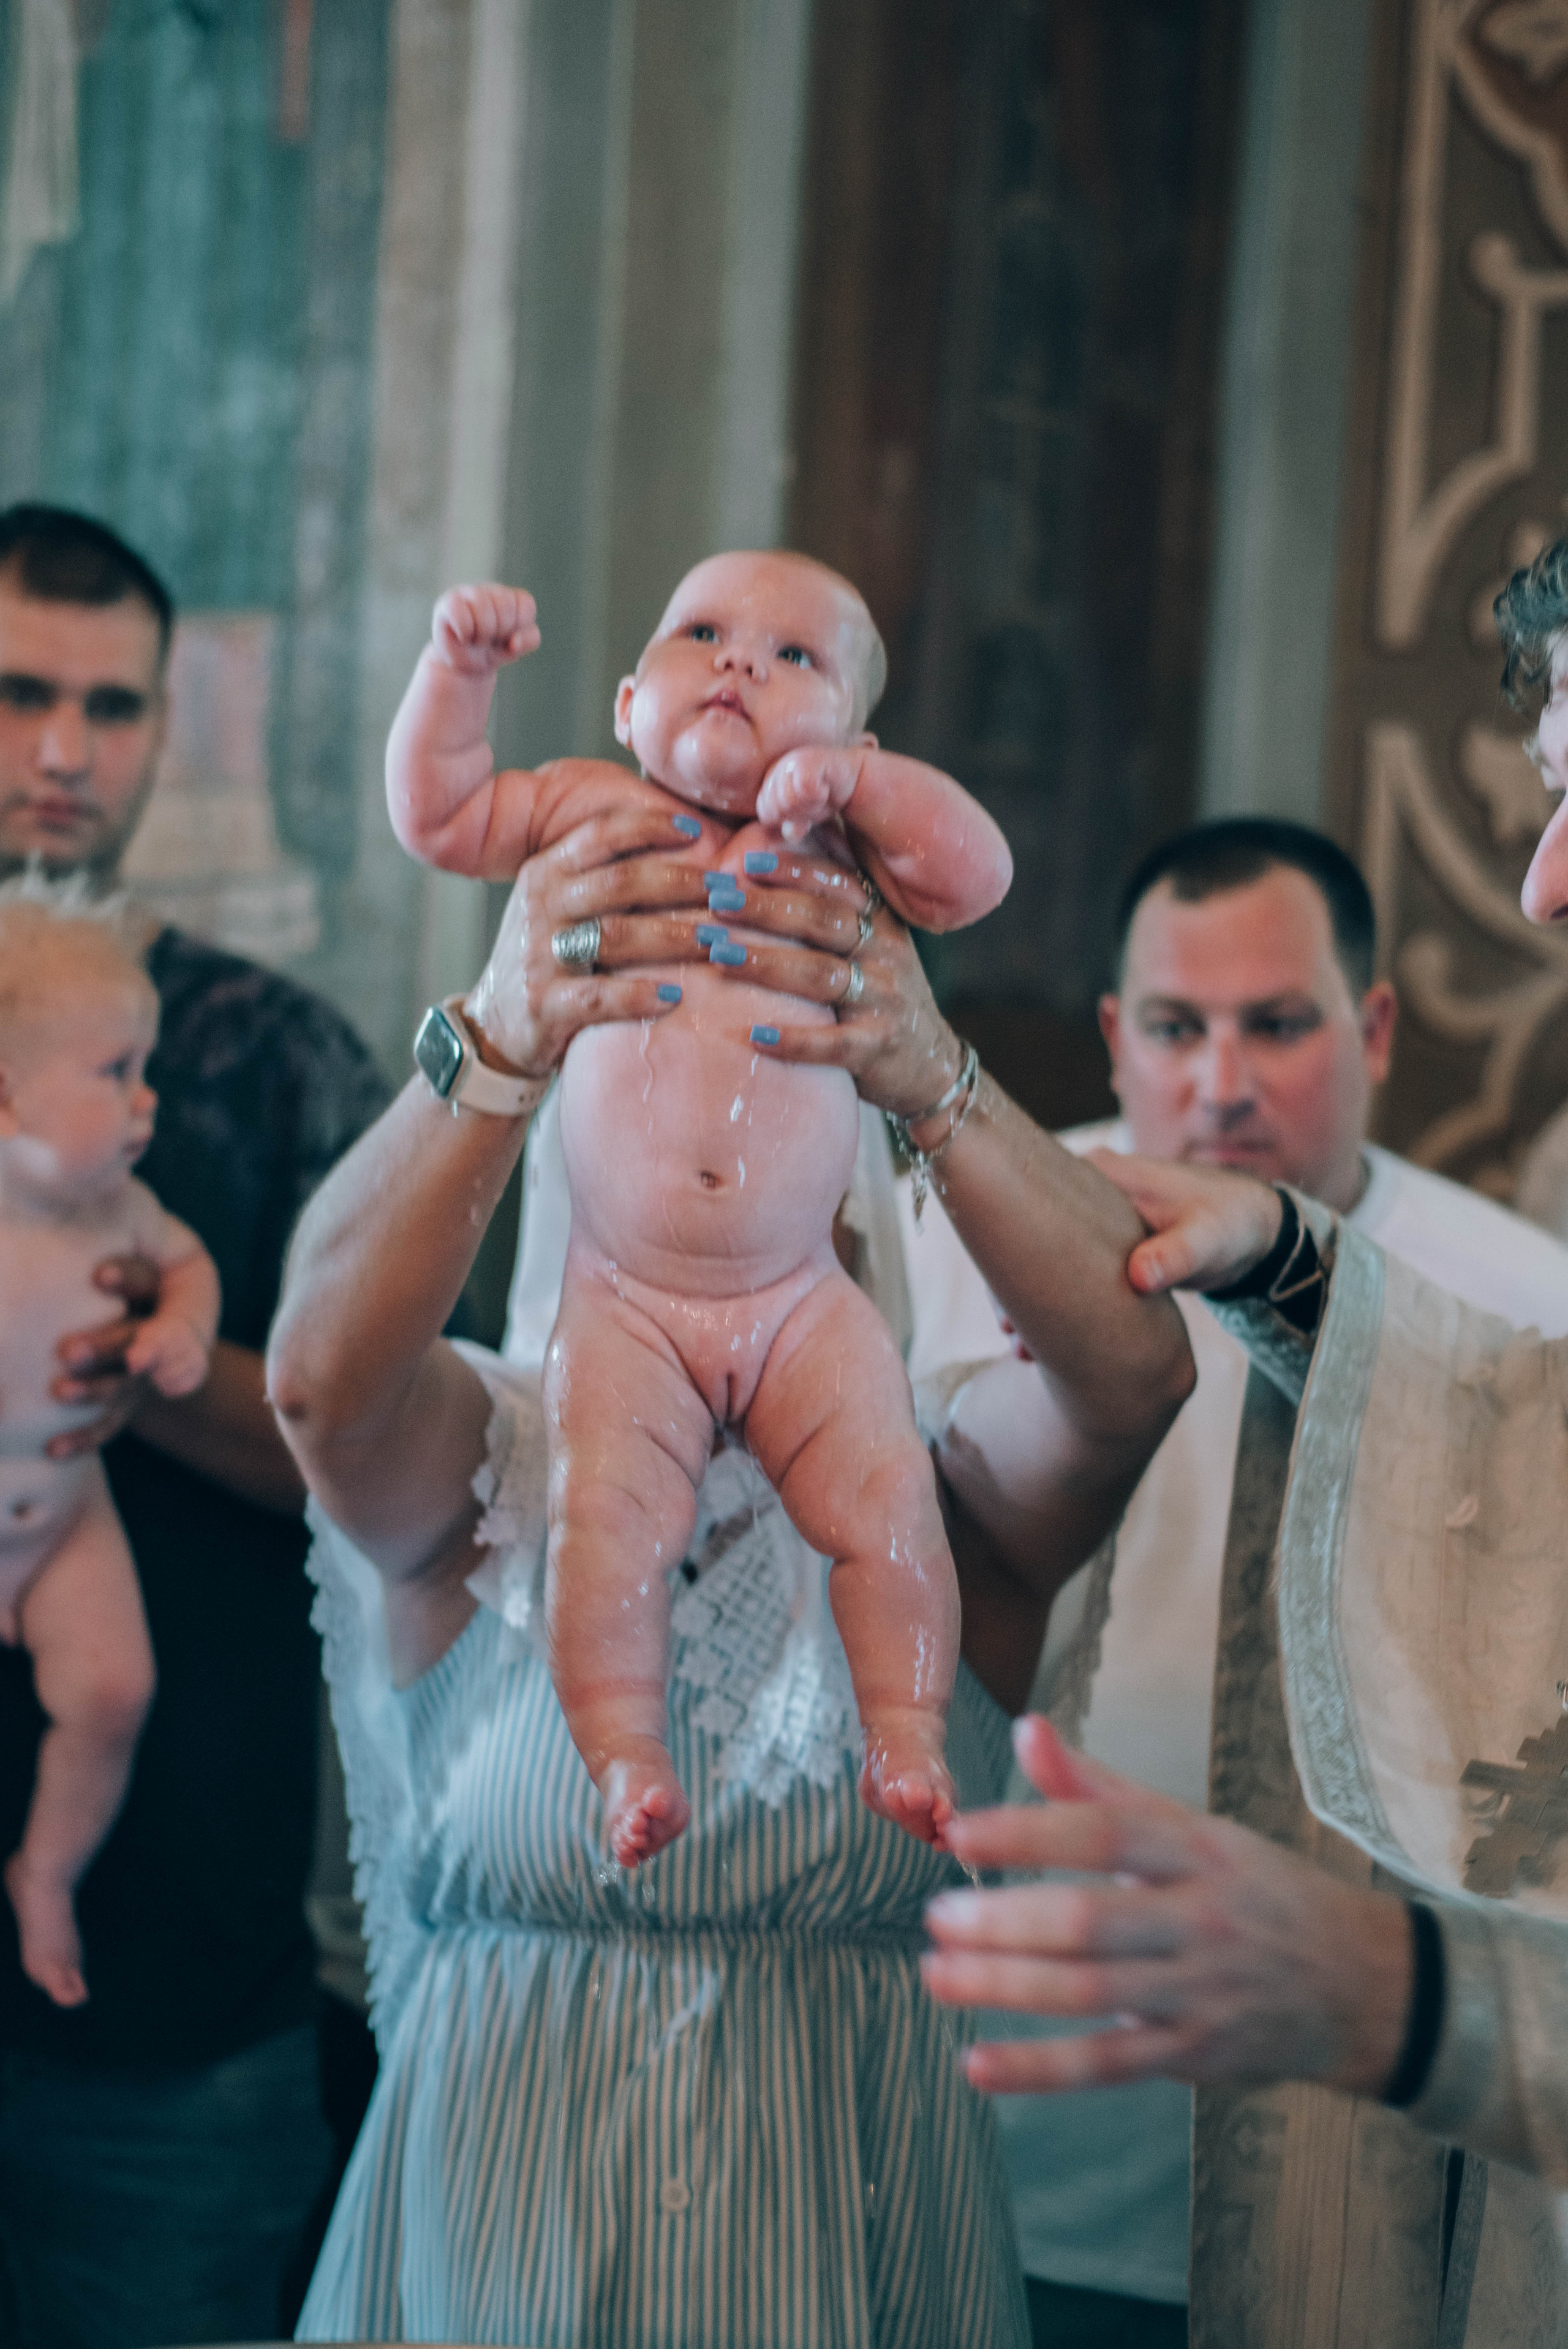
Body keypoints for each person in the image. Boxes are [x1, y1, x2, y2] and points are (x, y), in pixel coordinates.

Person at [266, 783, 1194, 2344]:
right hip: (492, 2260)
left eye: (774, 1107)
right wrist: (496, 1039)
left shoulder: (933, 1506)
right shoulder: (489, 1473)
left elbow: (1132, 1377)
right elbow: (316, 1382)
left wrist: (926, 1070)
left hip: (853, 2265)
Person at [918, 536, 1568, 2347]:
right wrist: (1295, 1265)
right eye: (1548, 794)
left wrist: (1389, 1986)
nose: (1541, 881)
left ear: (1367, 1029)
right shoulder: (968, 1216)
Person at [384, 558, 1012, 1860]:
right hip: (621, 1297)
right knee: (604, 1522)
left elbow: (976, 877)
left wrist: (864, 795)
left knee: (887, 1500)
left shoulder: (847, 854)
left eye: (796, 659)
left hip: (799, 1295)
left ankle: (904, 1729)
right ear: (628, 703)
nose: (740, 665)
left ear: (856, 744)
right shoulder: (588, 810)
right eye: (705, 634)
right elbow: (438, 817)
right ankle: (623, 1751)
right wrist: (458, 673)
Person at [0, 505, 391, 2349]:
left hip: (179, 1999)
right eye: (19, 692)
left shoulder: (272, 1056)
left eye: (113, 705)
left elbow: (407, 1468)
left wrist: (91, 1365)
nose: (65, 749)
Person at [0, 889, 220, 2008]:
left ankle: (47, 1873)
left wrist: (182, 1329)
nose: (147, 1101)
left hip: (65, 1515)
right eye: (115, 1072)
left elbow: (189, 1266)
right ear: (6, 1095)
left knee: (116, 1688)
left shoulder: (126, 1210)